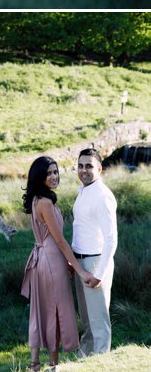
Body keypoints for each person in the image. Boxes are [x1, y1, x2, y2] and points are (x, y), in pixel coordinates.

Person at [20, 154, 100, 372]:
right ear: (39, 177)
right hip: (51, 261)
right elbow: (60, 241)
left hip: (40, 260)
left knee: (39, 310)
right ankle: (53, 364)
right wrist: (80, 270)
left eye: (55, 172)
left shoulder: (37, 199)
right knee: (56, 308)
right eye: (48, 173)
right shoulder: (45, 202)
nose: (54, 176)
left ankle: (35, 363)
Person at [71, 146, 118, 355]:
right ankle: (84, 357)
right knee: (87, 318)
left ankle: (100, 360)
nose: (83, 170)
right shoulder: (83, 191)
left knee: (99, 320)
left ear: (99, 168)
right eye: (80, 166)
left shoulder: (102, 196)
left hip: (96, 262)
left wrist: (99, 274)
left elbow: (111, 239)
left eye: (89, 166)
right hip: (80, 262)